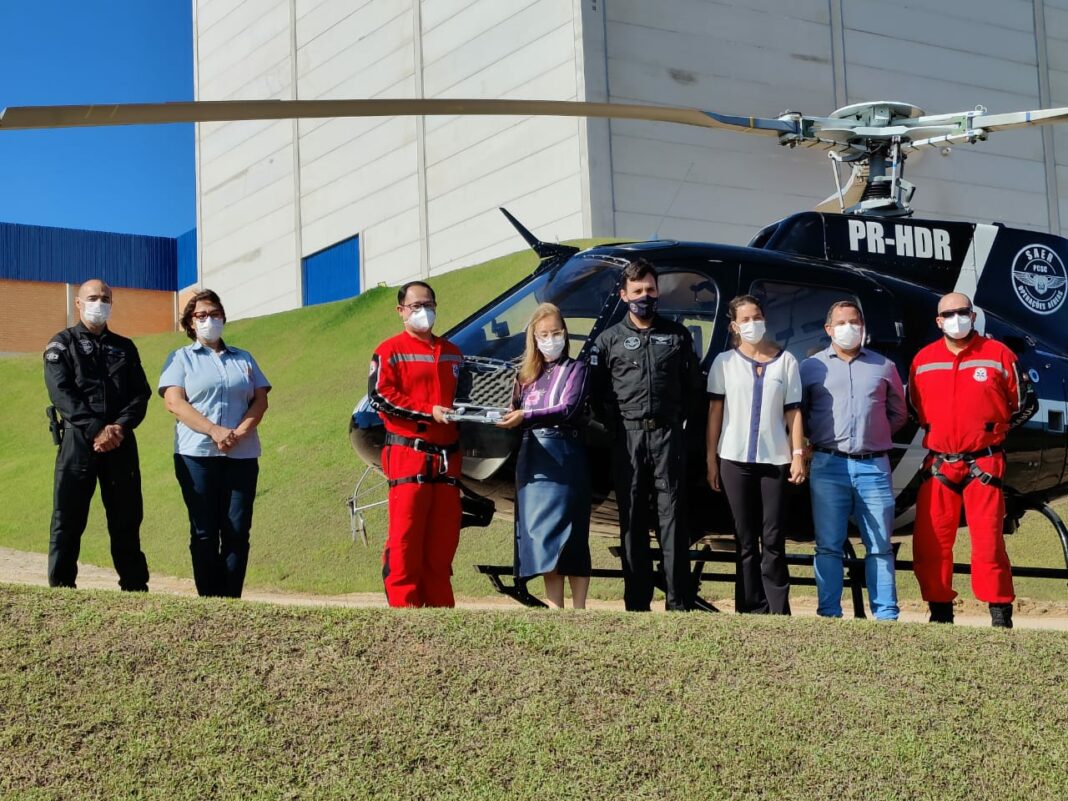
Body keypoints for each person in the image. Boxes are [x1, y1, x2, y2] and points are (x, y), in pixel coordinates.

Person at [908, 292, 1035, 628]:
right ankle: (939, 613)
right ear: (938, 321)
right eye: (949, 314)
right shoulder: (923, 360)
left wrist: (991, 433)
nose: (956, 319)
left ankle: (999, 615)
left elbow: (1024, 403)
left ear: (973, 315)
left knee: (989, 542)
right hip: (940, 465)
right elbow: (915, 408)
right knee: (930, 542)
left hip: (984, 465)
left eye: (962, 312)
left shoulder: (998, 355)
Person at [591, 258, 699, 611]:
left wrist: (678, 425)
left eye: (650, 290)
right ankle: (637, 601)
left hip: (668, 436)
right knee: (632, 518)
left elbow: (692, 388)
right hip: (628, 438)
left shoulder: (677, 335)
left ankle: (678, 600)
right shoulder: (608, 341)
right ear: (624, 295)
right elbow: (596, 393)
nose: (644, 296)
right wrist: (616, 428)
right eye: (637, 291)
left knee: (674, 518)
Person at [158, 290, 271, 598]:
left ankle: (230, 598)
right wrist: (214, 431)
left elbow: (260, 400)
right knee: (205, 530)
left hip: (242, 455)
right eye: (201, 315)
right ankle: (209, 599)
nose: (210, 320)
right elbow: (174, 402)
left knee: (237, 530)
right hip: (197, 456)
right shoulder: (180, 358)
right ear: (190, 323)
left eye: (215, 314)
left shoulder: (244, 358)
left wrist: (239, 432)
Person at [801, 300, 907, 620]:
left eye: (855, 321)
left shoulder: (883, 366)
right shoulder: (811, 367)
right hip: (828, 464)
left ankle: (886, 614)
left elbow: (898, 413)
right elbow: (798, 413)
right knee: (828, 544)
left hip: (873, 466)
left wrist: (872, 434)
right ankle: (829, 613)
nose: (850, 327)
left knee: (879, 546)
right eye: (843, 322)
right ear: (829, 329)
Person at [43, 279, 152, 591]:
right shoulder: (61, 345)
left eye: (105, 298)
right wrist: (96, 429)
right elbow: (61, 394)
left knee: (127, 519)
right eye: (92, 297)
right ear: (78, 303)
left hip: (120, 442)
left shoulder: (125, 347)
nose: (99, 302)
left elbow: (140, 395)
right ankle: (62, 588)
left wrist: (118, 428)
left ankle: (134, 587)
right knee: (68, 519)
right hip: (78, 443)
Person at [706, 294, 805, 615]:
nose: (753, 324)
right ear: (734, 325)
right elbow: (715, 414)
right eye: (746, 319)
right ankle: (750, 607)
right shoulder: (724, 363)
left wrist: (798, 453)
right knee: (745, 539)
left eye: (757, 316)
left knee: (773, 538)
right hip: (734, 459)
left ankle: (778, 609)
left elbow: (794, 412)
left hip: (775, 461)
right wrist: (711, 458)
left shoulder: (786, 361)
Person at [368, 280, 464, 608]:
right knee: (405, 540)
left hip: (448, 459)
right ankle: (404, 614)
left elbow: (467, 398)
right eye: (416, 306)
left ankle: (441, 614)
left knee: (442, 544)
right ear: (401, 311)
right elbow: (380, 396)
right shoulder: (389, 351)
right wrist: (428, 411)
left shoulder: (453, 352)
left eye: (430, 304)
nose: (424, 311)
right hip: (409, 453)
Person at [497, 303, 591, 609]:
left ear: (565, 333)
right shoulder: (524, 377)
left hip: (565, 455)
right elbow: (509, 411)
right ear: (533, 338)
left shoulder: (577, 369)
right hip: (532, 458)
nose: (551, 339)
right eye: (544, 334)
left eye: (556, 332)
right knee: (542, 535)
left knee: (572, 534)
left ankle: (580, 608)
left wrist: (525, 415)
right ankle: (555, 607)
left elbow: (569, 408)